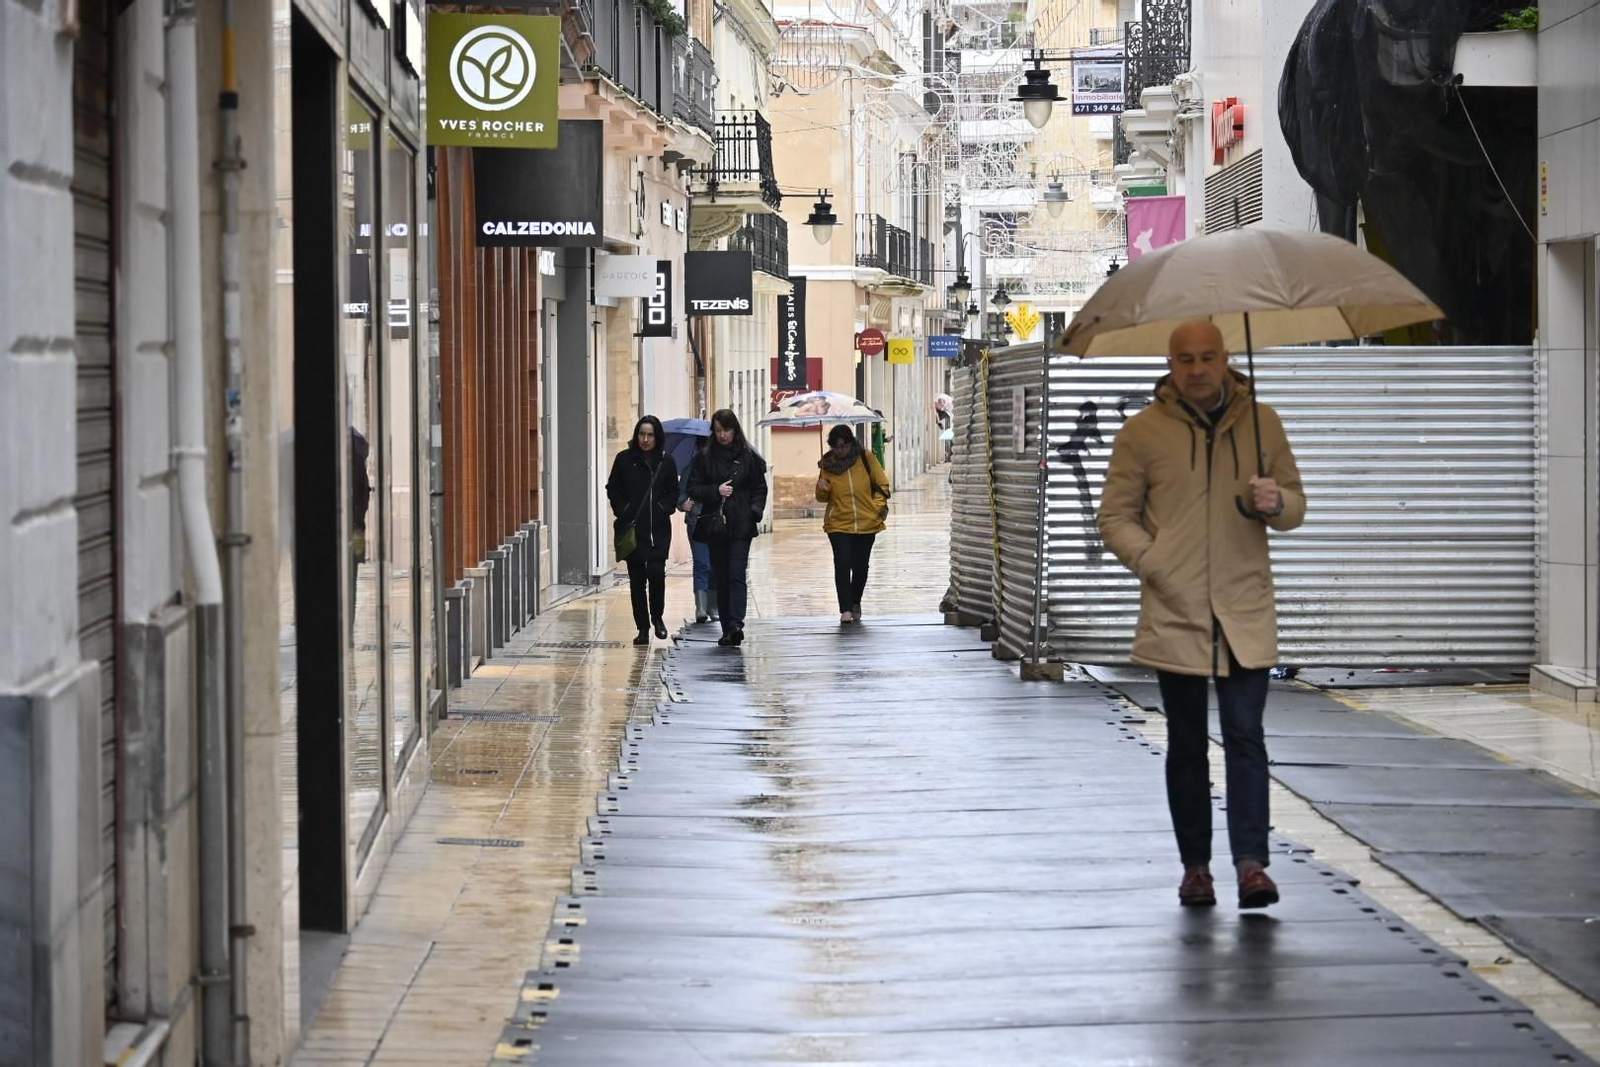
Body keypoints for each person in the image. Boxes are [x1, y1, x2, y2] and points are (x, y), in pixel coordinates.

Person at [1096, 319, 1306, 910]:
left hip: (1244, 609)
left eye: (1207, 357)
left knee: (1245, 737)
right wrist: (1154, 562)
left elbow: (1295, 505)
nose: (1196, 370)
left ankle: (1251, 866)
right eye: (1184, 359)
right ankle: (1196, 868)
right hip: (1176, 610)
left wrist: (1276, 502)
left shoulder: (1264, 425)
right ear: (1171, 363)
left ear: (1225, 359)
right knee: (1187, 745)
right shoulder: (1142, 433)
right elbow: (1114, 517)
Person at [688, 409, 768, 647]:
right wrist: (716, 490)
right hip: (715, 523)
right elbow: (694, 487)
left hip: (741, 523)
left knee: (736, 573)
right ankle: (726, 627)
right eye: (718, 430)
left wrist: (754, 511)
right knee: (721, 575)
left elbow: (759, 488)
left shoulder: (748, 457)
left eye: (727, 430)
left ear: (735, 430)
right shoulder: (704, 457)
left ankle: (736, 622)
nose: (723, 435)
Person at [606, 416, 679, 646]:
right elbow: (613, 488)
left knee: (657, 574)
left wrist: (662, 508)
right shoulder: (624, 459)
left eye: (650, 435)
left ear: (657, 437)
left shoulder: (666, 462)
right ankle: (643, 628)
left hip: (657, 530)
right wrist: (624, 509)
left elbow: (673, 492)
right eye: (641, 434)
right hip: (633, 529)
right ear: (636, 435)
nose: (645, 439)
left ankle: (657, 617)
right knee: (637, 581)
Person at [815, 424, 889, 624]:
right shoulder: (827, 466)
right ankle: (845, 609)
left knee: (860, 567)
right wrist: (822, 488)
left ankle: (855, 601)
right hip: (838, 524)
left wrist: (875, 508)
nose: (840, 450)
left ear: (850, 444)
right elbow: (822, 497)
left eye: (844, 446)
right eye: (836, 447)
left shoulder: (865, 458)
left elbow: (882, 485)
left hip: (866, 522)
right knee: (842, 563)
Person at [677, 437, 719, 625]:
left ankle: (713, 606)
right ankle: (701, 607)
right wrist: (683, 504)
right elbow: (681, 492)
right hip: (697, 520)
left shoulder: (722, 467)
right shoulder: (692, 467)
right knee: (702, 563)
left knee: (715, 565)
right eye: (703, 446)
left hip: (718, 522)